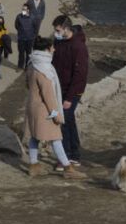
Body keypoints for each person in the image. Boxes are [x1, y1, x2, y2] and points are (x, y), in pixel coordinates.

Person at [25, 36, 87, 179]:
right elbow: (49, 95)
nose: (54, 49)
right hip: (44, 110)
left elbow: (27, 84)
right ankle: (68, 168)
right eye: (52, 47)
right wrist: (56, 113)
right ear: (47, 49)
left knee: (34, 137)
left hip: (32, 106)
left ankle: (33, 166)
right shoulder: (44, 68)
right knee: (56, 137)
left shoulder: (32, 63)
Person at [51, 15, 89, 167]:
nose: (55, 32)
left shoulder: (78, 47)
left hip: (72, 91)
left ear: (66, 28)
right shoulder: (59, 42)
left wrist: (69, 97)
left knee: (64, 121)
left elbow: (80, 74)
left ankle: (66, 156)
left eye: (58, 30)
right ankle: (74, 154)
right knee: (69, 120)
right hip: (60, 88)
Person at [15, 4, 37, 69]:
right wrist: (21, 31)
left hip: (30, 39)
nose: (23, 10)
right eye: (22, 9)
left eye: (24, 9)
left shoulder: (33, 17)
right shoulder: (18, 17)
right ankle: (20, 66)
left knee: (29, 54)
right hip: (21, 38)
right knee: (21, 53)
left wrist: (32, 35)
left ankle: (27, 67)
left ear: (28, 10)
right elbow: (16, 26)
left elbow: (35, 27)